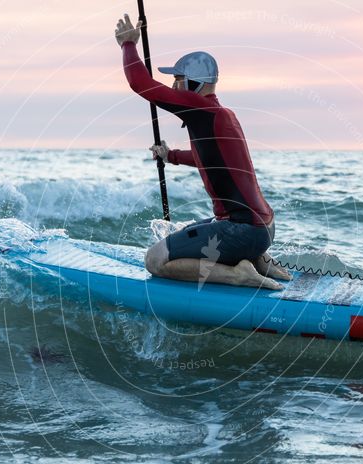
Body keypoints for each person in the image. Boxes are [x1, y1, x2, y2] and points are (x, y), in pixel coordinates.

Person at [114, 14, 290, 290]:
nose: (174, 86)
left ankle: (239, 274)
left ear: (195, 82)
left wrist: (128, 45)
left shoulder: (200, 109)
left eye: (178, 79)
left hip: (243, 231)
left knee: (155, 260)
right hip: (263, 229)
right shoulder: (220, 116)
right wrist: (170, 156)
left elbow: (142, 84)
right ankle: (257, 259)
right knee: (187, 231)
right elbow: (209, 161)